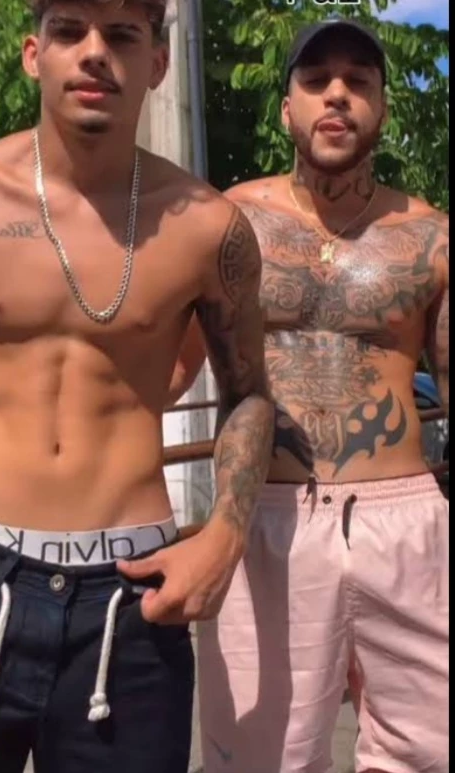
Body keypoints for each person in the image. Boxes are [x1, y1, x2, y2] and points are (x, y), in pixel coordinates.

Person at [0, 2, 274, 772]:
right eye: (70, 30)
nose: (94, 52)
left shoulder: (208, 228)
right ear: (33, 54)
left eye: (122, 35)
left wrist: (224, 536)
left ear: (157, 64)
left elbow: (248, 392)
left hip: (132, 598)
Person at [171, 18, 449, 773]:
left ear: (381, 108)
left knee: (432, 752)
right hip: (266, 519)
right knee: (260, 760)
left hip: (404, 524)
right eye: (316, 79)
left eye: (358, 81)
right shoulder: (228, 223)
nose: (337, 94)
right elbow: (164, 374)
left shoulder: (431, 237)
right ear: (286, 107)